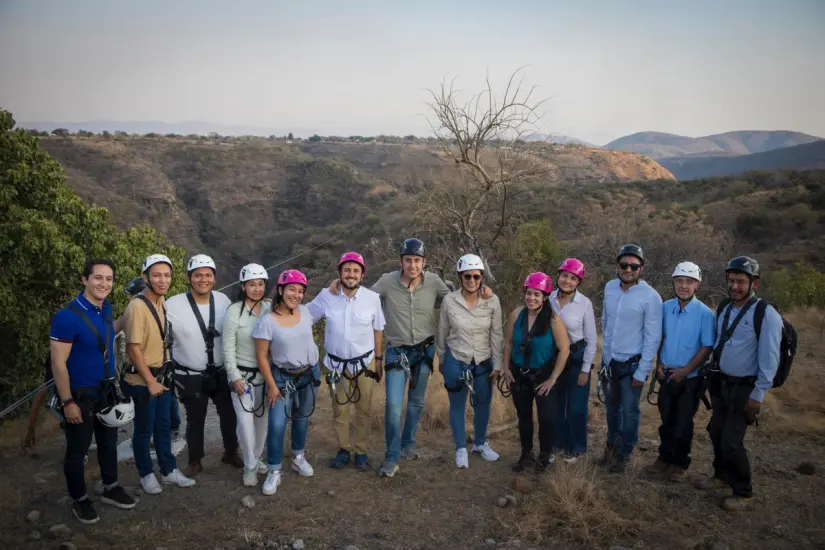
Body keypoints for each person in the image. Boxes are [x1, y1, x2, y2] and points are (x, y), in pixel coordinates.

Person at [328, 238, 492, 478]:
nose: (413, 265)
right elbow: (361, 298)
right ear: (401, 261)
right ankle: (392, 456)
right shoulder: (386, 282)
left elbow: (457, 298)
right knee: (394, 405)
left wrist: (481, 289)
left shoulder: (435, 283)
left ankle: (407, 445)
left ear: (424, 262)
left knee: (415, 403)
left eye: (417, 261)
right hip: (397, 351)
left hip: (424, 351)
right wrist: (339, 283)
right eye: (408, 260)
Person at [49, 259, 136, 524]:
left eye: (109, 279)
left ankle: (110, 486)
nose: (104, 283)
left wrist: (139, 304)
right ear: (84, 280)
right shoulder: (67, 317)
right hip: (79, 394)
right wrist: (67, 402)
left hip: (105, 390)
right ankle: (79, 499)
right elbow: (58, 363)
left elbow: (109, 333)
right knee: (78, 449)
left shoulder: (105, 310)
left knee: (109, 442)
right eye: (98, 278)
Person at [696, 256, 781, 512]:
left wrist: (758, 395)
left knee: (732, 441)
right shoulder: (724, 307)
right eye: (731, 280)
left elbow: (770, 358)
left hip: (746, 388)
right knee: (715, 432)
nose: (735, 286)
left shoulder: (765, 314)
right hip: (722, 384)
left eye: (741, 281)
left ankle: (743, 492)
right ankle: (720, 476)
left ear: (754, 284)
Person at [121, 254, 196, 494]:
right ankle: (146, 474)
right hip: (144, 380)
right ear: (145, 277)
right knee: (144, 429)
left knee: (163, 426)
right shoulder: (137, 306)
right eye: (156, 275)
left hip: (162, 377)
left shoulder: (160, 302)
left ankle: (168, 470)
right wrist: (150, 381)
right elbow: (133, 349)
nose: (162, 280)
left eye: (166, 275)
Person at [309, 252, 386, 471]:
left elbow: (378, 329)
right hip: (336, 365)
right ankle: (343, 449)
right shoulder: (327, 295)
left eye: (355, 270)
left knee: (364, 409)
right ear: (340, 273)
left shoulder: (372, 298)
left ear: (362, 274)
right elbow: (305, 317)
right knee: (340, 409)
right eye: (347, 270)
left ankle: (361, 451)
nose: (351, 274)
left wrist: (378, 361)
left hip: (365, 364)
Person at [167, 254, 239, 476]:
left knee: (229, 415)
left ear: (214, 278)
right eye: (198, 275)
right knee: (195, 419)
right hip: (190, 373)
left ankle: (230, 452)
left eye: (208, 275)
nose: (203, 280)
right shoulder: (173, 304)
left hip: (220, 370)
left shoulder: (224, 301)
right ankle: (195, 460)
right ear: (190, 278)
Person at [644, 262, 715, 482]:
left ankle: (680, 463)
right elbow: (658, 337)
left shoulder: (705, 314)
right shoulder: (665, 308)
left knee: (683, 423)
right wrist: (658, 365)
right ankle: (664, 458)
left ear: (697, 285)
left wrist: (686, 371)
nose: (683, 286)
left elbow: (706, 347)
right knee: (667, 421)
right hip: (666, 376)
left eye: (689, 282)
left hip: (690, 379)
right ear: (673, 282)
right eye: (679, 281)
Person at [253, 269, 320, 496]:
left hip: (308, 374)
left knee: (302, 418)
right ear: (280, 290)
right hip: (282, 377)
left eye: (300, 291)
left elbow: (327, 300)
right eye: (292, 289)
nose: (296, 295)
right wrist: (271, 385)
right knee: (277, 425)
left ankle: (298, 457)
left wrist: (334, 284)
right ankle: (274, 469)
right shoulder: (268, 322)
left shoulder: (304, 312)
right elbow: (261, 356)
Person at [599, 244, 663, 473]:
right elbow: (606, 323)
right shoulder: (609, 288)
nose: (628, 269)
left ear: (641, 269)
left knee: (630, 411)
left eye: (633, 266)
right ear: (618, 266)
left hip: (632, 365)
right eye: (624, 265)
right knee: (611, 409)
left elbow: (653, 337)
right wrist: (605, 360)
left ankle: (625, 454)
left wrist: (642, 370)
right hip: (611, 362)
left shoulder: (651, 297)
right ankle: (612, 447)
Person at [437, 254, 503, 468]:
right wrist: (441, 358)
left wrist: (498, 364)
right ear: (460, 277)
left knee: (483, 406)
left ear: (482, 277)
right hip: (457, 359)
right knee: (457, 406)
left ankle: (480, 444)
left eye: (476, 276)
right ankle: (460, 449)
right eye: (467, 276)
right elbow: (442, 331)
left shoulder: (492, 300)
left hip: (483, 361)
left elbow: (497, 334)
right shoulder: (450, 300)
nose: (472, 280)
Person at [501, 272, 570, 471]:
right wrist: (506, 369)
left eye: (537, 295)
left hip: (542, 375)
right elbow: (508, 343)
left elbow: (564, 349)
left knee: (546, 417)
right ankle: (526, 453)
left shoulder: (553, 320)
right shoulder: (517, 314)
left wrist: (552, 379)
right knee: (523, 416)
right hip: (519, 374)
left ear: (545, 297)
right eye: (529, 293)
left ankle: (545, 455)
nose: (532, 298)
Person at [223, 263, 271, 486]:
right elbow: (227, 347)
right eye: (252, 284)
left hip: (265, 376)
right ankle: (250, 466)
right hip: (242, 377)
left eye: (261, 284)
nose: (257, 289)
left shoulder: (270, 309)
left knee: (262, 422)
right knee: (245, 422)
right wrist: (234, 377)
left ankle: (256, 457)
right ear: (243, 286)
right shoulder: (234, 311)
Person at [548, 258, 598, 463]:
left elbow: (592, 338)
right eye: (565, 276)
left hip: (576, 358)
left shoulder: (584, 303)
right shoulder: (548, 297)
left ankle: (576, 448)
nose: (568, 281)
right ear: (558, 275)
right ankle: (555, 445)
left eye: (573, 278)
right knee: (555, 404)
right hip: (554, 357)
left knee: (576, 407)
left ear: (578, 282)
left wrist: (586, 369)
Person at [122, 277, 182, 442]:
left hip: (159, 362)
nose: (130, 299)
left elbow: (133, 348)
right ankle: (172, 428)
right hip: (164, 360)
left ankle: (171, 428)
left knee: (157, 409)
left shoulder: (153, 305)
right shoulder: (146, 307)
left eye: (132, 295)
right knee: (167, 399)